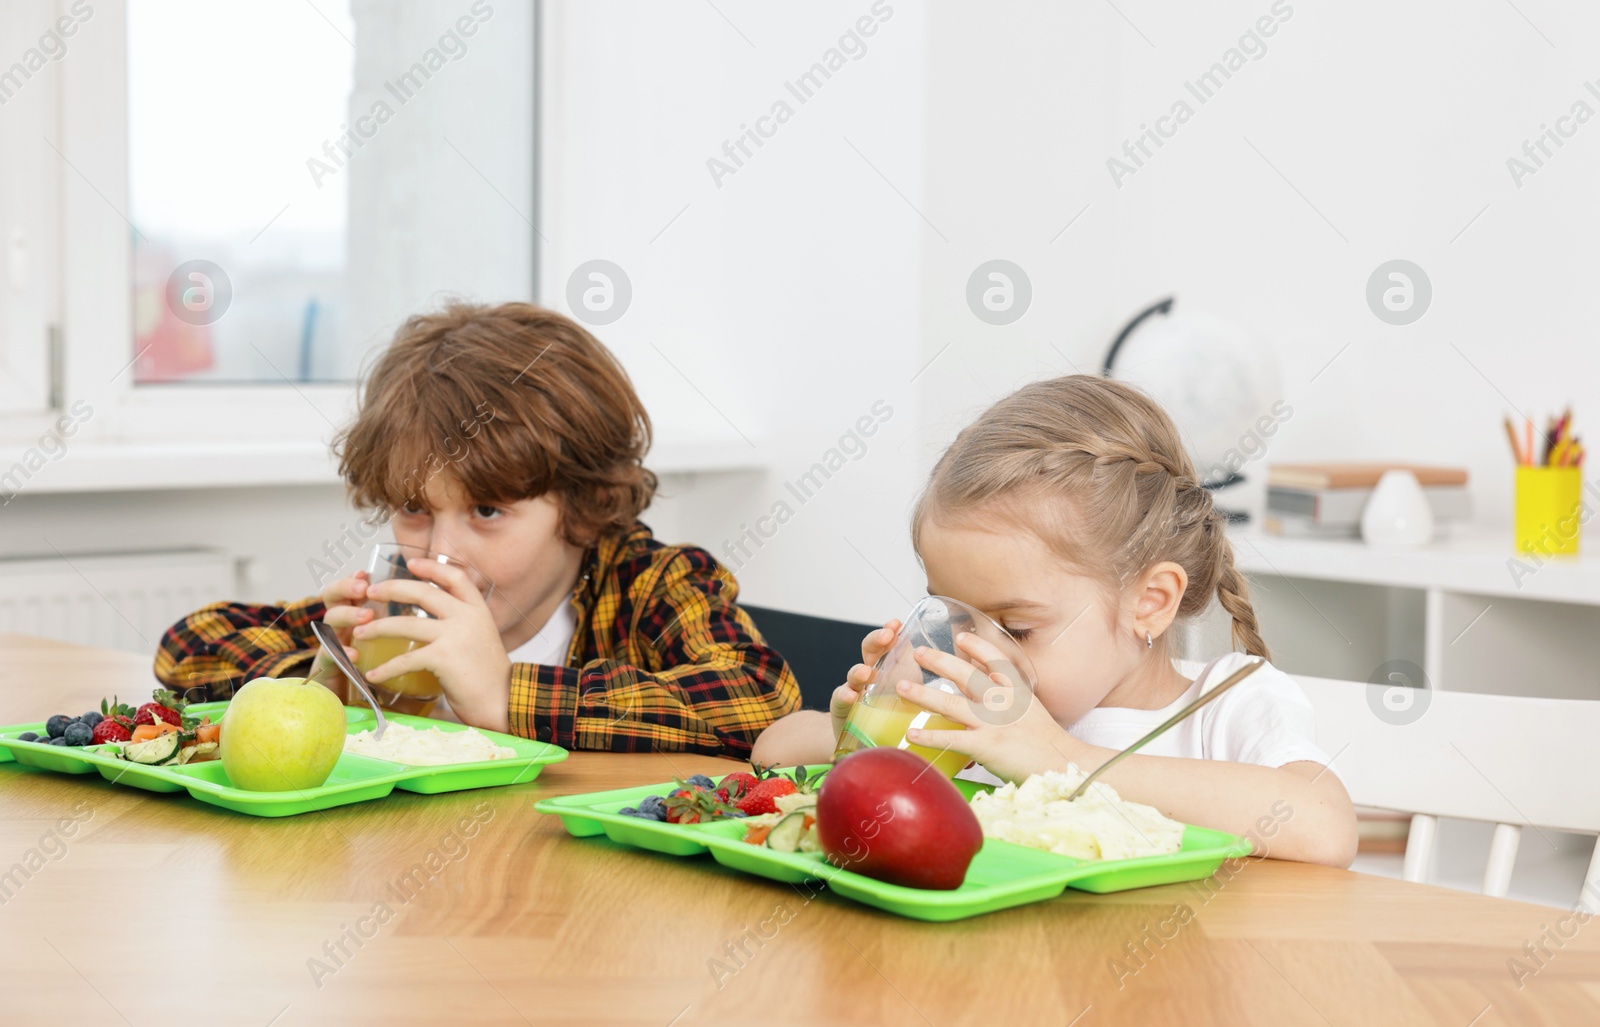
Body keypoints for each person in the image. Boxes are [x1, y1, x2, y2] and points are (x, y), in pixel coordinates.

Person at [753, 375, 1357, 865]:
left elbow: (1324, 826)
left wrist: (1059, 758)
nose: (975, 653)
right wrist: (854, 740)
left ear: (1149, 601)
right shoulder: (969, 712)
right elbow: (771, 750)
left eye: (1015, 629)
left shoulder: (1225, 707)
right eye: (955, 617)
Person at [155, 301, 799, 756]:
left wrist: (508, 694)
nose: (440, 552)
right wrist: (325, 679)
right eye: (414, 508)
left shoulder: (651, 583)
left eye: (487, 511)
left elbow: (758, 698)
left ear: (581, 503)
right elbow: (188, 645)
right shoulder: (398, 606)